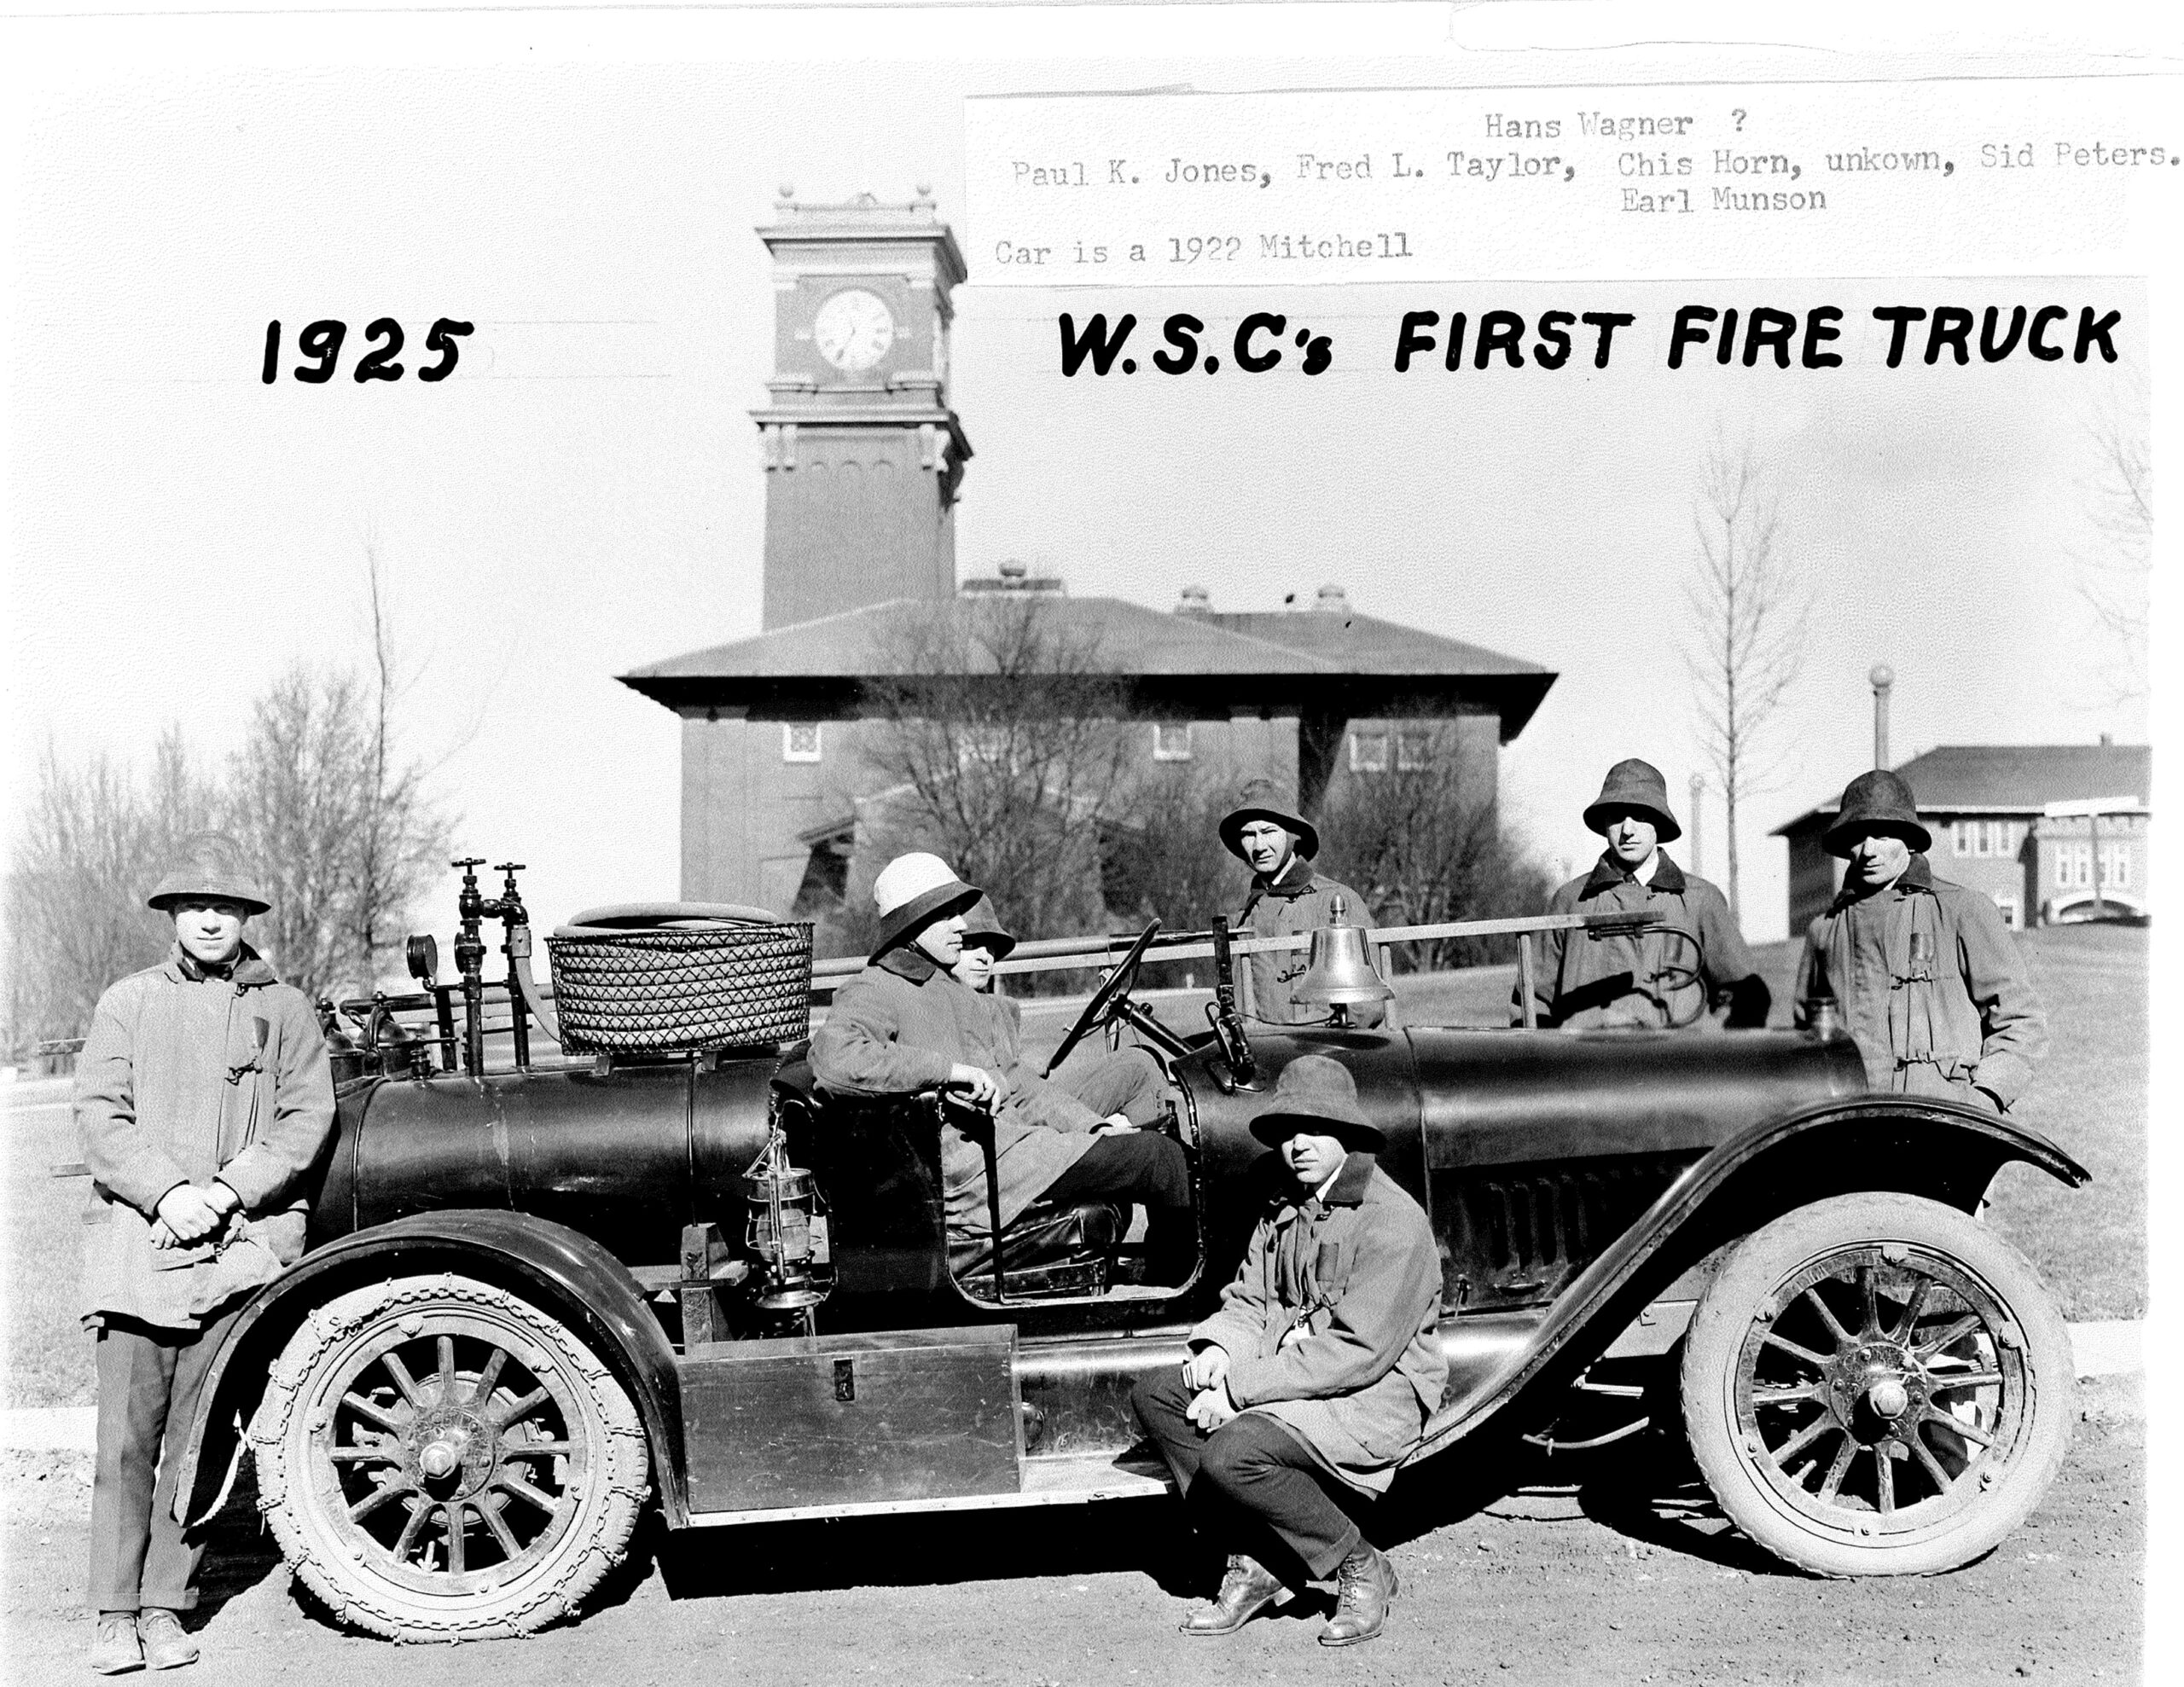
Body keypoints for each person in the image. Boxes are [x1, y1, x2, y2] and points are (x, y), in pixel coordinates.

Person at [75, 833, 336, 1675]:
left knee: (201, 1439)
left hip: (237, 1245)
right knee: (126, 1440)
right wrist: (166, 1192)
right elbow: (99, 1116)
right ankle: (115, 1612)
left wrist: (224, 1193)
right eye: (196, 906)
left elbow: (305, 1119)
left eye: (226, 906)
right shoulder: (128, 1002)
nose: (211, 920)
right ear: (174, 916)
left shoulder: (284, 1008)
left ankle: (165, 1608)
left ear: (246, 916)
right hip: (138, 1245)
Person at [1132, 1056, 1443, 1648]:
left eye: (1314, 1129)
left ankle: (1360, 1564)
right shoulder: (1285, 1205)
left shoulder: (1392, 1221)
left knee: (1234, 1452)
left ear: (1347, 1135)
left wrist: (1238, 1392)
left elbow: (1357, 1352)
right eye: (1286, 1133)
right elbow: (1251, 1297)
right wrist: (1220, 1351)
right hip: (1293, 1378)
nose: (1298, 1145)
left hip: (1372, 1394)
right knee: (1158, 1397)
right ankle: (1258, 1561)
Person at [810, 854, 1193, 1276]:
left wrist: (1091, 1127)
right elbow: (834, 1059)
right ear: (912, 923)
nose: (961, 925)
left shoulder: (950, 991)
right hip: (970, 1176)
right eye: (948, 914)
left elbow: (1016, 1083)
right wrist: (950, 1071)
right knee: (1161, 1160)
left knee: (1158, 1151)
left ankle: (1161, 1279)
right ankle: (1174, 1295)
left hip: (1008, 1150)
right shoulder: (876, 987)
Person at [1792, 769, 2047, 1111]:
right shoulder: (1825, 930)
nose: (1869, 851)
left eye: (1883, 835)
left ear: (1909, 840)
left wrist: (1983, 1099)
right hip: (1851, 1126)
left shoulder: (1963, 911)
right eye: (1857, 837)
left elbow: (2021, 1021)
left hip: (1943, 1125)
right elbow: (1807, 1036)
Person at [1516, 757, 1771, 1029]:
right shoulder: (1571, 900)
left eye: (1640, 816)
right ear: (1604, 824)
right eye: (1617, 817)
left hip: (1674, 1065)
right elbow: (1530, 1004)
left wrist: (1706, 1044)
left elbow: (1745, 996)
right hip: (1588, 1064)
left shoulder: (1700, 899)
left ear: (1659, 823)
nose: (1627, 830)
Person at [1218, 776, 1384, 1029]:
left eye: (1268, 831)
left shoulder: (1336, 901)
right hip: (1262, 1058)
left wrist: (1318, 1035)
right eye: (1249, 835)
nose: (1259, 845)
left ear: (1293, 835)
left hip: (1323, 1053)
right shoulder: (1243, 919)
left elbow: (1366, 1007)